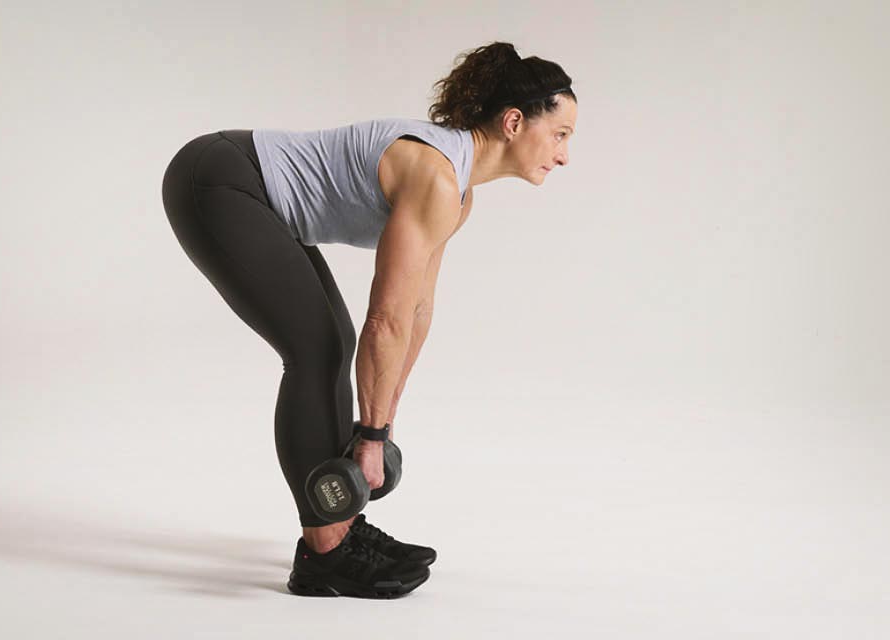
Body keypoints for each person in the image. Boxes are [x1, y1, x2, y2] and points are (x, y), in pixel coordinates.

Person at [160, 41, 577, 598]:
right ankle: (325, 549)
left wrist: (380, 426)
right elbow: (386, 318)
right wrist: (371, 438)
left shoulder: (457, 192)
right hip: (219, 180)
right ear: (514, 121)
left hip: (249, 188)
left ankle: (343, 528)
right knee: (317, 348)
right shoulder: (434, 175)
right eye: (561, 134)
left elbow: (417, 312)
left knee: (331, 341)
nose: (565, 154)